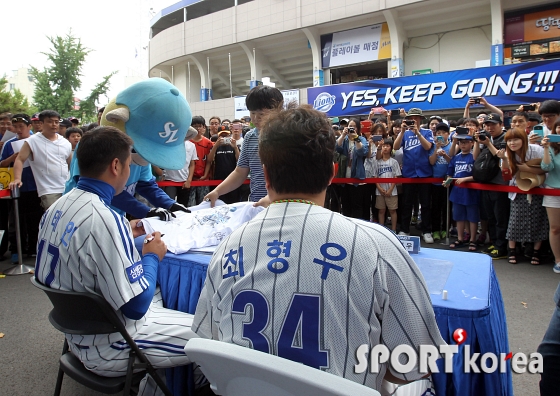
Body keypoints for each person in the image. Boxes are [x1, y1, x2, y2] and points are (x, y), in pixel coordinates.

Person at [191, 104, 445, 392]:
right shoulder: (377, 242)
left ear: (266, 175)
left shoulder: (229, 244)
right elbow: (414, 365)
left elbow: (209, 345)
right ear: (331, 173)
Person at [34, 127, 199, 394]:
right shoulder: (104, 218)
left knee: (165, 294)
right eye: (128, 164)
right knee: (214, 334)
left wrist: (124, 232)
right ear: (115, 165)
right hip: (112, 343)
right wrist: (151, 257)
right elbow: (136, 307)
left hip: (76, 332)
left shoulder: (57, 206)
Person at [204, 85, 284, 206]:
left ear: (278, 110)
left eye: (262, 114)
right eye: (252, 113)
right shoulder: (250, 137)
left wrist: (272, 198)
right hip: (256, 204)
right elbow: (240, 172)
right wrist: (217, 191)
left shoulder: (287, 135)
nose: (256, 118)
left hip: (282, 204)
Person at [497, 128, 547, 265]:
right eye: (509, 140)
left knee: (539, 221)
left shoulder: (536, 149)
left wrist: (527, 169)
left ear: (523, 139)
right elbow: (507, 176)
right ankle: (511, 250)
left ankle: (536, 252)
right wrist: (505, 160)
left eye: (515, 139)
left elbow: (546, 167)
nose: (512, 143)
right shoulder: (507, 153)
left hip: (538, 189)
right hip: (517, 191)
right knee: (514, 221)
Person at [9, 110, 72, 210]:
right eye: (50, 121)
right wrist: (17, 179)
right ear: (41, 123)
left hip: (67, 187)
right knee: (53, 219)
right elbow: (20, 159)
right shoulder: (32, 141)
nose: (54, 124)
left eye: (56, 122)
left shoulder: (65, 142)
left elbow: (70, 164)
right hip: (48, 189)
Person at [0, 114, 42, 262]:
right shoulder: (8, 143)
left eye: (21, 127)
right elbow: (2, 164)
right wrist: (14, 158)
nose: (18, 130)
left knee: (35, 219)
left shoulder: (37, 140)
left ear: (29, 126)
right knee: (16, 220)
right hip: (16, 187)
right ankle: (16, 249)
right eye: (15, 126)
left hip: (36, 185)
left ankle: (33, 248)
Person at [393, 108, 434, 242]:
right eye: (411, 118)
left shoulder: (427, 132)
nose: (414, 120)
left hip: (424, 173)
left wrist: (417, 133)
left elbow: (428, 147)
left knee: (426, 204)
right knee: (407, 203)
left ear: (420, 119)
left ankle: (427, 230)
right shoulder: (404, 133)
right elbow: (395, 146)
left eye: (416, 118)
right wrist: (403, 131)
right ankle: (404, 229)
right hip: (409, 173)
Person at [473, 113, 510, 259]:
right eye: (487, 125)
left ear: (501, 124)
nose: (490, 127)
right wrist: (477, 141)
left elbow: (501, 157)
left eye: (493, 124)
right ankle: (494, 243)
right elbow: (475, 158)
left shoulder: (505, 138)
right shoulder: (486, 138)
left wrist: (488, 144)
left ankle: (501, 247)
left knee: (500, 217)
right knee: (491, 217)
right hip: (486, 183)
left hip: (500, 184)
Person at [443, 135, 479, 251]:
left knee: (472, 217)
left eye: (466, 142)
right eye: (461, 142)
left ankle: (473, 239)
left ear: (472, 143)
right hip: (457, 192)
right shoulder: (456, 157)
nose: (463, 145)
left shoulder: (474, 157)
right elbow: (450, 172)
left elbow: (479, 175)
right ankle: (460, 238)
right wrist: (448, 180)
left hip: (471, 192)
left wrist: (466, 179)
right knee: (459, 216)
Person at [336, 118, 370, 220]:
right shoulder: (345, 140)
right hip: (344, 177)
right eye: (350, 126)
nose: (352, 128)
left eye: (354, 126)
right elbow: (337, 147)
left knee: (357, 206)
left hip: (357, 178)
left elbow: (362, 152)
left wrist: (356, 138)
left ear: (358, 128)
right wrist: (342, 135)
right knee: (346, 206)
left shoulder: (362, 139)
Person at [160, 127, 198, 207]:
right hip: (169, 180)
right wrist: (162, 174)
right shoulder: (168, 143)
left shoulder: (192, 145)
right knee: (169, 205)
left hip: (184, 181)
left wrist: (189, 180)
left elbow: (192, 164)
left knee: (183, 206)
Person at [429, 123, 452, 241]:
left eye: (443, 133)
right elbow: (432, 162)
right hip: (435, 182)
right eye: (438, 133)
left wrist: (445, 154)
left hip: (447, 182)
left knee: (446, 207)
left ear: (448, 134)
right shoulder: (432, 146)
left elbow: (452, 162)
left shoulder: (451, 145)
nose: (441, 135)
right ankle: (435, 230)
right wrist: (436, 149)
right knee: (435, 207)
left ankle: (445, 229)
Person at [207, 127, 241, 204]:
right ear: (218, 137)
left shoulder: (235, 146)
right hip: (218, 179)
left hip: (233, 179)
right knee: (220, 203)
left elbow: (239, 160)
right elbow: (209, 160)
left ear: (230, 135)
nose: (224, 138)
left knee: (233, 203)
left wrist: (235, 148)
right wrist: (215, 146)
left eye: (226, 135)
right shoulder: (215, 147)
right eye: (222, 136)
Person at [375, 138, 400, 232]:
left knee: (392, 210)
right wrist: (379, 188)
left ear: (391, 148)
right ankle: (382, 230)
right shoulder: (377, 162)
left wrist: (390, 189)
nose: (385, 148)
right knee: (381, 210)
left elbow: (396, 176)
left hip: (392, 191)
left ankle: (393, 230)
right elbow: (375, 176)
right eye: (383, 146)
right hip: (379, 190)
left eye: (387, 146)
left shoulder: (394, 162)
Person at [189, 115, 214, 206]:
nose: (197, 128)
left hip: (204, 178)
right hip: (189, 178)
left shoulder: (208, 143)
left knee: (203, 204)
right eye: (195, 126)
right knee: (190, 204)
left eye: (200, 126)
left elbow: (209, 161)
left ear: (204, 127)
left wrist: (205, 175)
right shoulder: (187, 142)